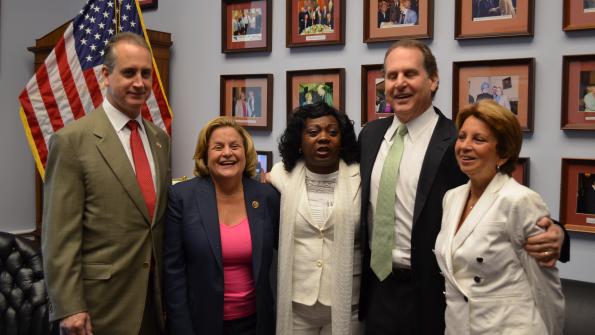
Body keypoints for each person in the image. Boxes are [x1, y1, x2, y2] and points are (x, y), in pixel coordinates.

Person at [357, 39, 569, 335]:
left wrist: (557, 233)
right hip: (378, 291)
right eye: (392, 76)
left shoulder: (460, 141)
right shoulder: (369, 136)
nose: (399, 83)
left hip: (437, 296)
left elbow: (502, 197)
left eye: (410, 74)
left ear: (433, 80)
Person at [42, 32, 171, 335]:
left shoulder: (159, 139)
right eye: (128, 72)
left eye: (146, 73)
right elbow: (59, 235)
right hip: (98, 308)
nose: (139, 82)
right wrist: (69, 306)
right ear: (105, 75)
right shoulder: (72, 141)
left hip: (153, 302)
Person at [435, 100, 565, 335]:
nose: (464, 146)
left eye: (479, 139)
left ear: (503, 153)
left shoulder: (520, 200)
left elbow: (545, 285)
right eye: (462, 136)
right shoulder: (451, 198)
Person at [164, 117, 279, 334]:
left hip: (255, 323)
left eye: (235, 146)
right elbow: (173, 272)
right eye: (218, 147)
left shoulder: (266, 196)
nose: (227, 153)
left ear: (246, 153)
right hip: (200, 323)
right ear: (205, 155)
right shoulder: (182, 197)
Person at [270, 102, 363, 334]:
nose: (323, 138)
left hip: (348, 301)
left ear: (342, 141)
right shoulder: (281, 175)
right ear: (299, 141)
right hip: (297, 303)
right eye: (313, 132)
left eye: (332, 132)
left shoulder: (360, 177)